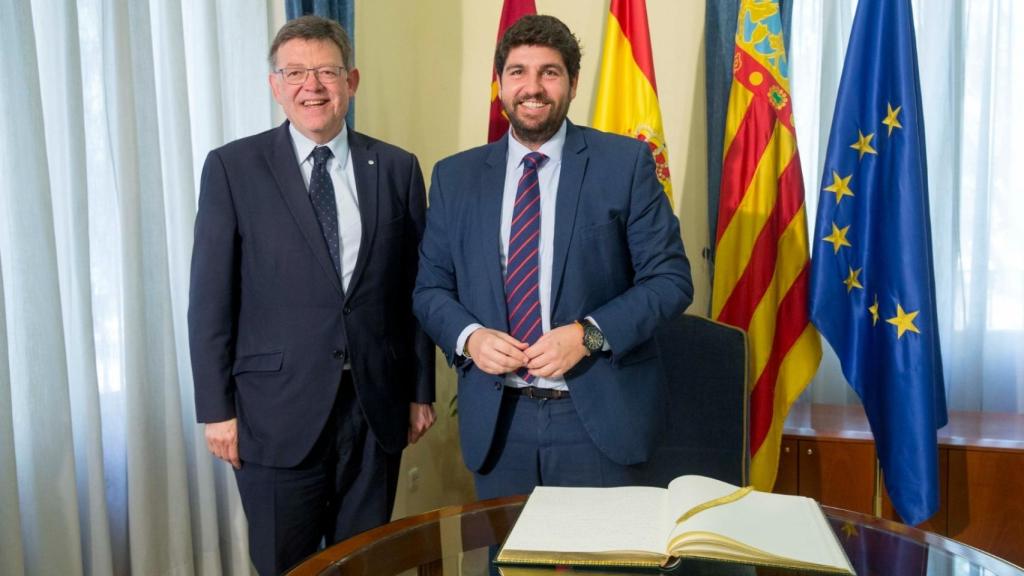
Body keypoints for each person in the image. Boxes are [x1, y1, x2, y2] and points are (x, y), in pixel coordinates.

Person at [188, 15, 435, 575]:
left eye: (326, 71)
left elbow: (415, 292)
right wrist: (216, 410)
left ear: (352, 80)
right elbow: (209, 298)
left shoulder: (396, 168)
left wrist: (421, 389)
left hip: (375, 410)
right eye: (295, 73)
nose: (312, 86)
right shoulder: (233, 167)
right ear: (275, 85)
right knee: (286, 566)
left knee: (366, 563)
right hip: (273, 414)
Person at [413, 14, 692, 500]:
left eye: (549, 71)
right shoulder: (455, 178)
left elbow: (669, 280)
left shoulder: (623, 164)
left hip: (598, 419)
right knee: (510, 567)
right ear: (500, 84)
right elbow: (430, 289)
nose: (532, 87)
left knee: (603, 570)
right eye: (518, 71)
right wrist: (470, 337)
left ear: (573, 83)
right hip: (500, 424)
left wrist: (590, 335)